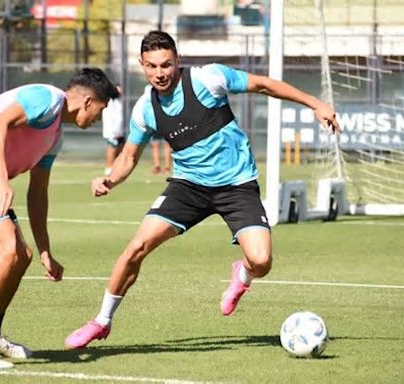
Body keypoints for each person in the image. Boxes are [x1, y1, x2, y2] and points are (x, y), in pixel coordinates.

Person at [65, 31, 340, 349]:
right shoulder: (145, 108)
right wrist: (109, 178)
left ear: (177, 60)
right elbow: (128, 156)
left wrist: (315, 104)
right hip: (188, 186)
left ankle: (243, 275)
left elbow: (263, 84)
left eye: (166, 64)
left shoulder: (208, 79)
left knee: (262, 261)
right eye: (152, 66)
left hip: (236, 185)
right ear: (142, 65)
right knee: (136, 248)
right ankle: (101, 321)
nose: (160, 73)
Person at [0, 68, 118, 369]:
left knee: (23, 255)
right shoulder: (46, 99)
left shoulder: (54, 137)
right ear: (88, 101)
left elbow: (38, 194)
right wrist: (2, 182)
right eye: (101, 110)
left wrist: (45, 251)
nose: (99, 118)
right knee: (8, 249)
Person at [102, 84, 126, 176]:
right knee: (112, 148)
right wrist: (114, 131)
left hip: (121, 130)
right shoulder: (110, 102)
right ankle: (109, 168)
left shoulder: (120, 101)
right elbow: (110, 118)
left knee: (121, 150)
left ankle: (117, 169)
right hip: (113, 131)